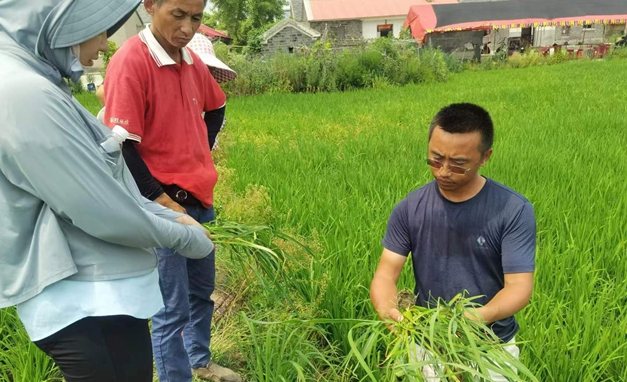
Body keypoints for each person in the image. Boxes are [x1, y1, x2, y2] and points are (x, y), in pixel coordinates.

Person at [0, 1, 215, 382]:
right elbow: (95, 206)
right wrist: (182, 233)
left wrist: (167, 217)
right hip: (80, 293)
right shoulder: (25, 93)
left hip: (96, 287)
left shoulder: (37, 84)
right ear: (57, 25)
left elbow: (98, 182)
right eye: (97, 30)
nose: (104, 45)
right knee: (166, 319)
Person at [103, 0, 241, 381]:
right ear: (150, 6)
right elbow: (123, 145)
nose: (186, 28)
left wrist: (199, 147)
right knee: (170, 308)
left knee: (201, 293)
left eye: (195, 18)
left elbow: (217, 106)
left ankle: (200, 361)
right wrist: (161, 200)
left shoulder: (192, 62)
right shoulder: (132, 61)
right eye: (177, 15)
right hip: (162, 206)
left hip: (199, 199)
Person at [370, 103, 536, 381]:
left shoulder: (513, 210)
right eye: (435, 159)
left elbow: (519, 286)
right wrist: (390, 312)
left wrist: (477, 318)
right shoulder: (410, 208)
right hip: (427, 343)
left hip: (490, 345)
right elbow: (386, 274)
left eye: (458, 163)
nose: (443, 171)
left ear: (485, 157)